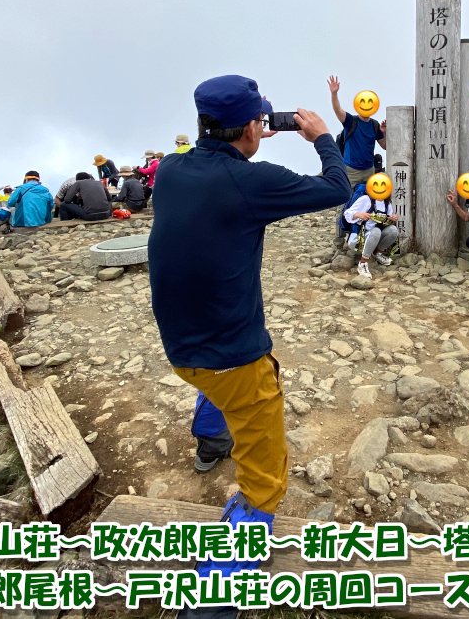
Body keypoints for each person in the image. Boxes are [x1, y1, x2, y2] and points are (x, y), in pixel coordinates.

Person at [148, 74, 350, 593]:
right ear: (252, 127)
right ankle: (217, 591)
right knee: (265, 482)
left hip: (180, 345)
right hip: (233, 359)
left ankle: (212, 441)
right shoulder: (254, 181)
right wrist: (322, 137)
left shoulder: (169, 170)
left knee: (213, 380)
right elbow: (338, 188)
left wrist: (246, 137)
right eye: (259, 119)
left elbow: (216, 179)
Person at [327, 75, 386, 187]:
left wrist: (384, 131)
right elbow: (338, 110)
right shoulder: (351, 121)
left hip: (369, 170)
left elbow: (384, 145)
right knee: (347, 199)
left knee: (368, 201)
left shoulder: (374, 124)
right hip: (351, 170)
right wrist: (334, 93)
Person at [344, 173, 398, 279]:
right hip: (358, 239)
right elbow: (347, 214)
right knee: (376, 231)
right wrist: (359, 214)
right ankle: (363, 263)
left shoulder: (387, 204)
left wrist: (392, 219)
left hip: (374, 237)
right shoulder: (365, 199)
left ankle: (377, 253)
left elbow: (387, 223)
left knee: (393, 230)